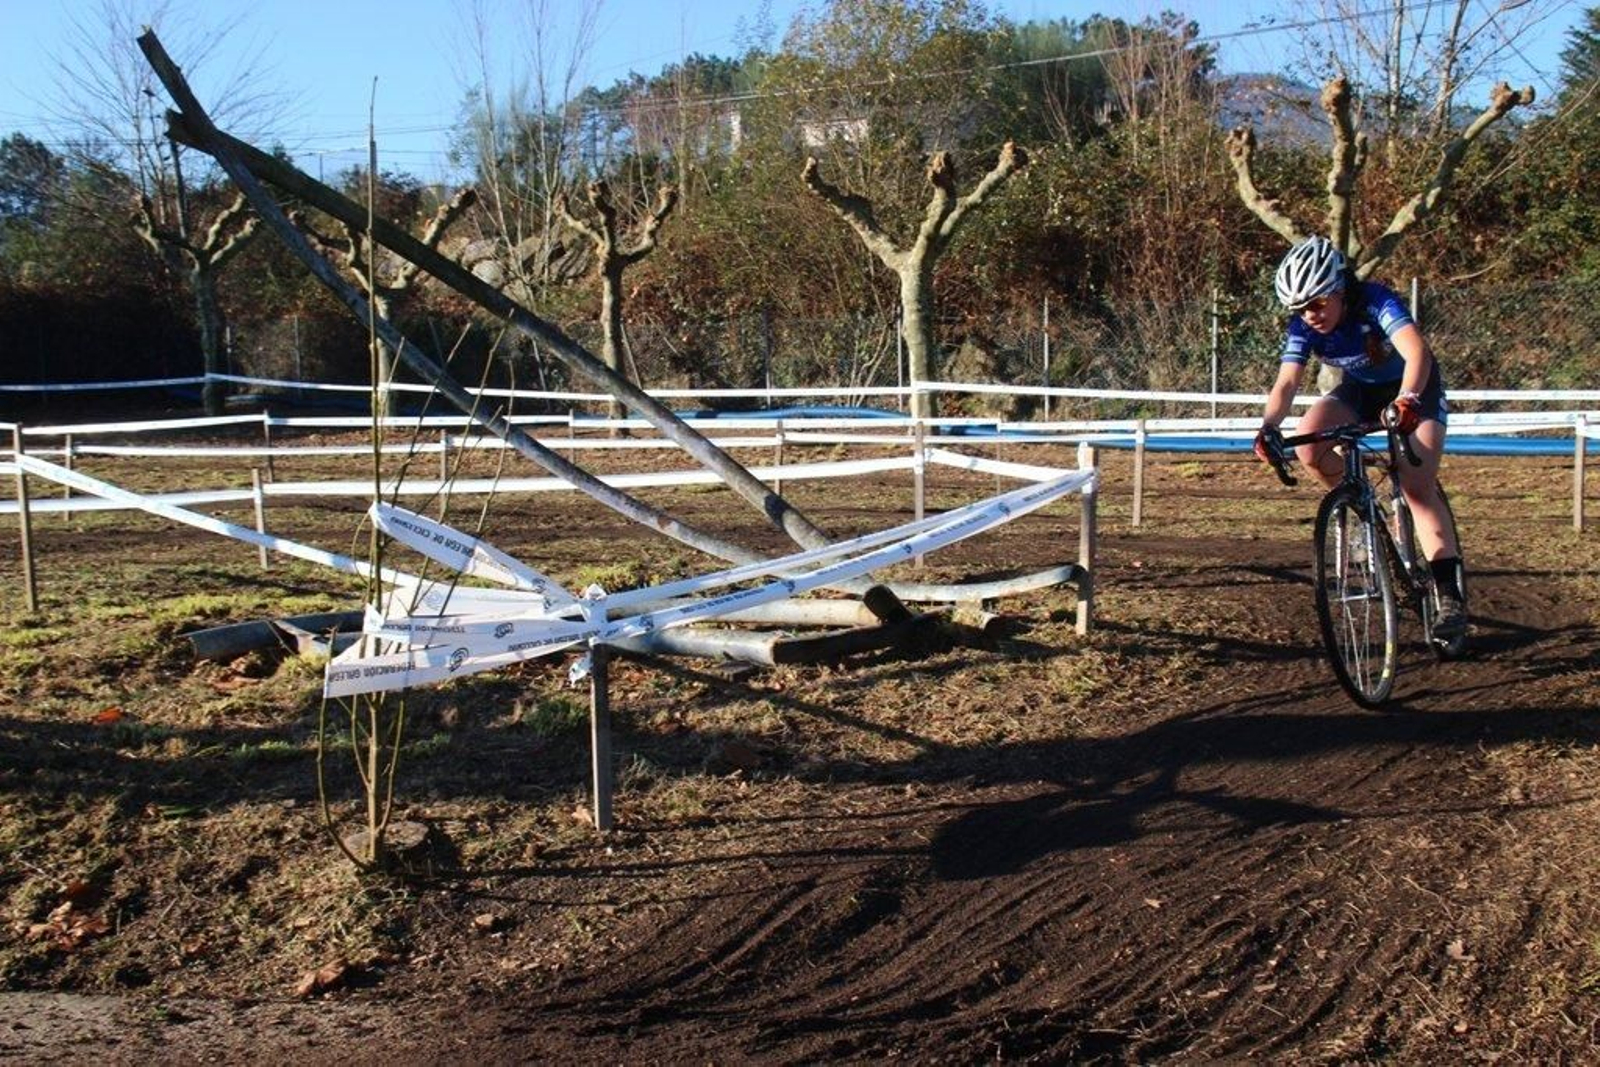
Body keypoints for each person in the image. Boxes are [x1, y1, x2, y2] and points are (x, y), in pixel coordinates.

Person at [1253, 235, 1466, 639]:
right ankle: (1363, 504)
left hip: (1415, 389)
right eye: (1299, 308)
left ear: (1339, 289)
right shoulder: (1303, 325)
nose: (1309, 315)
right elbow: (1287, 382)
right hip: (1361, 391)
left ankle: (1449, 596)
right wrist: (1268, 427)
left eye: (1316, 303)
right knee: (1309, 443)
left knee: (1417, 488)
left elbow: (1417, 352)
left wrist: (1408, 400)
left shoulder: (1374, 300)